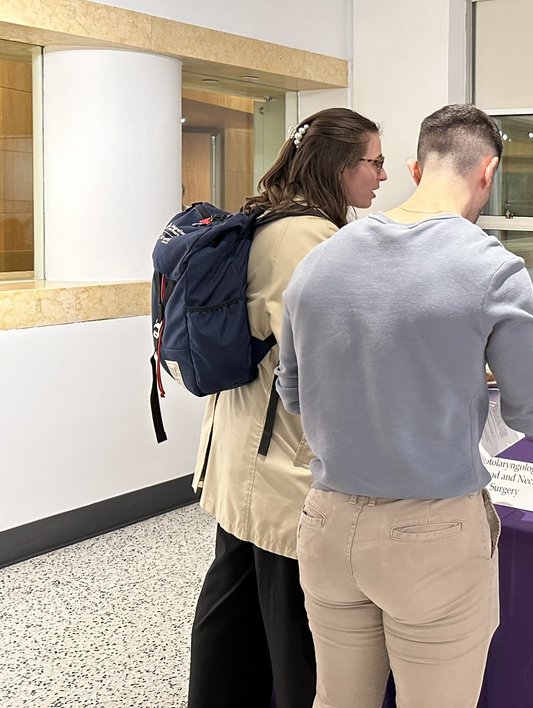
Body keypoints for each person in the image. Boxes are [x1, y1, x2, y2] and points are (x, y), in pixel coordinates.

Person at [275, 104, 533, 708]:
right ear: (487, 171)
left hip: (326, 523)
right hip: (431, 533)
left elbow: (294, 394)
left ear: (414, 168)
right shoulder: (490, 267)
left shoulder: (320, 260)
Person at [188, 107, 387, 708]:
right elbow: (326, 360)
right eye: (374, 163)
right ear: (340, 165)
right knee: (289, 629)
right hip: (277, 463)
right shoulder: (310, 238)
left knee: (233, 607)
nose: (381, 176)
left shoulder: (272, 215)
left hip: (244, 446)